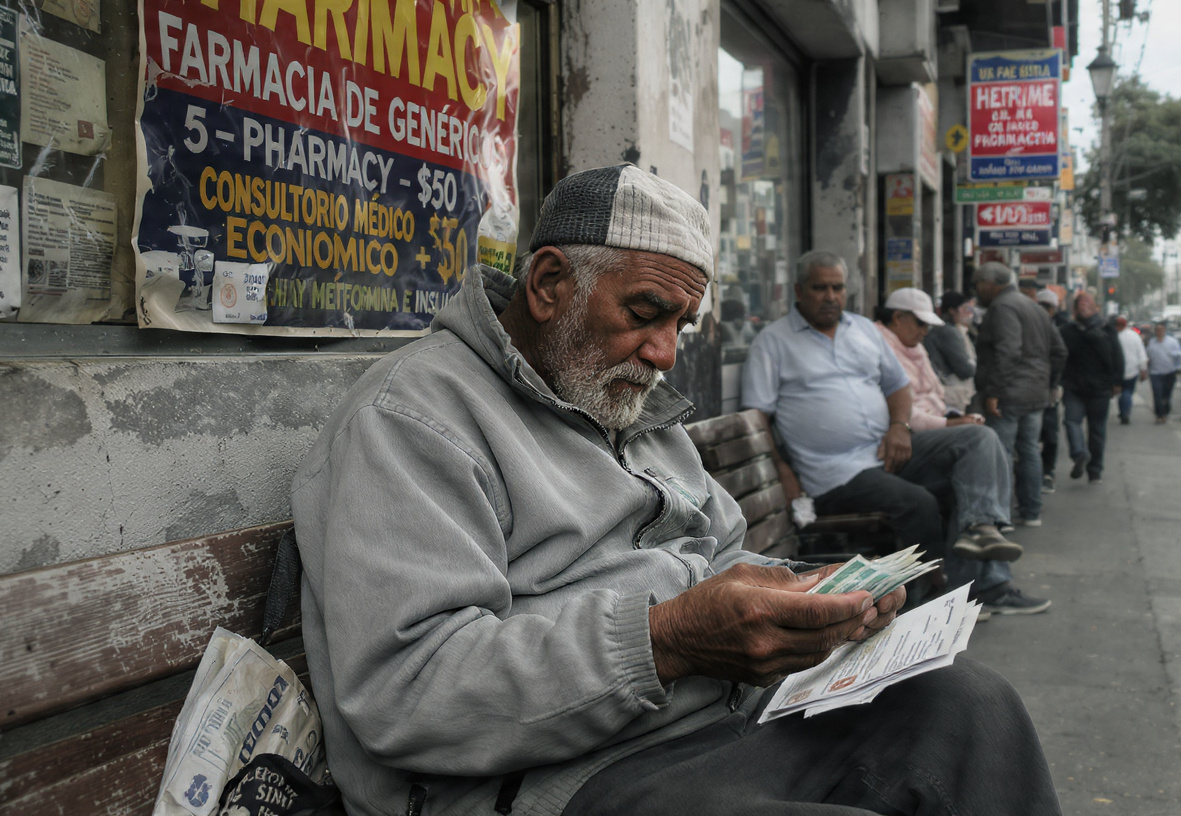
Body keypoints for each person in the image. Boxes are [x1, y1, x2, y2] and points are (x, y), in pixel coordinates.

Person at [291, 166, 1061, 816]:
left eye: (682, 325)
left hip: (721, 720)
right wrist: (666, 640)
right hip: (566, 779)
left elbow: (724, 559)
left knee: (969, 708)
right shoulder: (416, 417)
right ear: (550, 283)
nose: (663, 352)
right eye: (643, 313)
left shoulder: (629, 406)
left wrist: (811, 597)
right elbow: (409, 691)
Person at [742, 261, 1051, 617]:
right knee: (920, 501)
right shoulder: (773, 341)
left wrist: (899, 427)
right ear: (799, 290)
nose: (830, 296)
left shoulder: (862, 329)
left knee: (979, 440)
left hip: (887, 448)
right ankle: (942, 596)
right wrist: (782, 469)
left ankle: (980, 533)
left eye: (837, 288)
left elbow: (898, 386)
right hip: (835, 471)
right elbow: (757, 417)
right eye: (819, 287)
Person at [971, 263, 1068, 527]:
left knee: (1001, 453)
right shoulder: (1033, 307)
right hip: (1034, 392)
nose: (976, 290)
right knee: (1029, 450)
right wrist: (1047, 383)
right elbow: (1059, 351)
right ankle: (1031, 510)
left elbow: (1009, 351)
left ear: (989, 284)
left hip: (1009, 393)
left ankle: (1001, 516)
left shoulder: (1003, 307)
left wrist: (995, 391)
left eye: (978, 284)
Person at [1059, 291, 1124, 484]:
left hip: (1100, 389)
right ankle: (1079, 454)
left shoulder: (1106, 329)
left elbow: (1116, 356)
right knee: (1071, 421)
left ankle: (1095, 470)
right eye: (1080, 303)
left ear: (1096, 307)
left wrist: (1117, 382)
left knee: (1097, 430)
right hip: (1074, 387)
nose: (1083, 305)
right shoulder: (1067, 330)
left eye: (1087, 302)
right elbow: (1059, 356)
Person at [923, 290, 978, 412]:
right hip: (950, 394)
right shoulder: (947, 332)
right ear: (952, 310)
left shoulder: (950, 329)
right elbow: (965, 370)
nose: (968, 312)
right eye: (964, 308)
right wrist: (972, 365)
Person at [1035, 288, 1065, 493]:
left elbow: (1061, 355)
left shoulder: (1056, 329)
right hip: (1031, 388)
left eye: (1048, 307)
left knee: (1049, 433)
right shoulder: (1027, 325)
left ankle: (1048, 472)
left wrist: (1053, 383)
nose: (1045, 311)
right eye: (1042, 306)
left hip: (1046, 389)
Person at [1146, 322, 1181, 423]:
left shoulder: (1172, 342)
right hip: (1155, 372)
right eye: (1157, 330)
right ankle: (1159, 415)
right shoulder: (1152, 342)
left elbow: (1180, 355)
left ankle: (1165, 411)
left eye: (1161, 330)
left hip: (1169, 372)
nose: (1159, 332)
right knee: (1157, 394)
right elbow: (1147, 355)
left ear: (1164, 331)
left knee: (1166, 395)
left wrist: (1177, 365)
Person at [1114, 316, 1149, 425]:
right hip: (1132, 369)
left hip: (1117, 370)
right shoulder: (1134, 336)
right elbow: (1141, 353)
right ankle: (1125, 412)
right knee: (1128, 391)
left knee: (1120, 392)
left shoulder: (1114, 336)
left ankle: (1123, 412)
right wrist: (1143, 369)